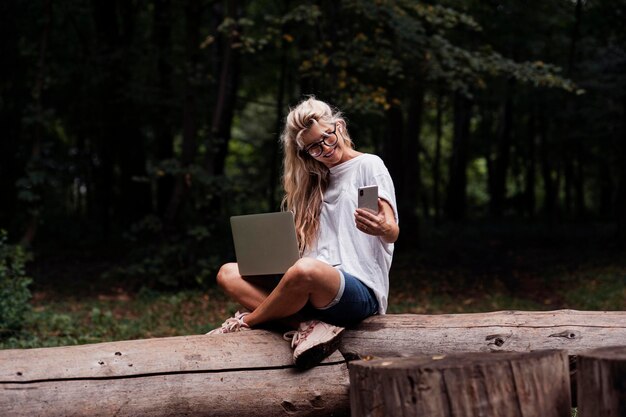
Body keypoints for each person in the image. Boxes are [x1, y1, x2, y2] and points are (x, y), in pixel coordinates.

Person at [207, 96, 399, 369]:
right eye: (313, 148)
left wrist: (384, 228)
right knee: (227, 272)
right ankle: (308, 325)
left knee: (305, 270)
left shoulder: (369, 165)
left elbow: (392, 230)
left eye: (326, 139)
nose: (324, 150)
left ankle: (245, 322)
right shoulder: (313, 182)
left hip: (357, 293)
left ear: (339, 127)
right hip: (310, 291)